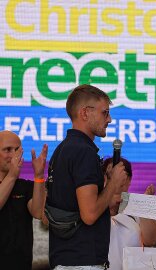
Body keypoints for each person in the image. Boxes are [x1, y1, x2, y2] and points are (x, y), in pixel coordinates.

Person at [45, 84, 127, 269]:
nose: (110, 119)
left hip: (66, 259)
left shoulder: (62, 150)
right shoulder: (83, 152)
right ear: (85, 113)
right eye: (105, 113)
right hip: (82, 262)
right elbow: (89, 215)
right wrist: (113, 184)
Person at [101, 157, 156, 270]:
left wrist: (143, 206)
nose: (116, 179)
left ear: (129, 179)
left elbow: (152, 239)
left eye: (121, 174)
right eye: (110, 175)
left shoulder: (139, 204)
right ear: (103, 178)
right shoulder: (94, 203)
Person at [0, 130, 48, 270]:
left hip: (21, 264)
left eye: (17, 150)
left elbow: (38, 213)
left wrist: (39, 175)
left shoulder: (25, 186)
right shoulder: (13, 179)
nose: (14, 155)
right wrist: (12, 176)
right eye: (7, 150)